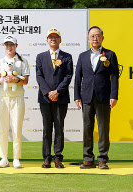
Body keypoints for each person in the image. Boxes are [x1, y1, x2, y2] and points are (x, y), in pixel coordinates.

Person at [74, 26, 119, 169]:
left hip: (104, 96)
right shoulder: (82, 56)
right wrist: (77, 96)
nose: (95, 38)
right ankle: (88, 158)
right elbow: (78, 78)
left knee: (103, 128)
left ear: (102, 38)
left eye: (98, 36)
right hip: (86, 96)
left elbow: (115, 76)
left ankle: (102, 159)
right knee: (87, 127)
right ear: (88, 39)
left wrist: (114, 95)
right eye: (92, 36)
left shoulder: (110, 55)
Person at [36, 28, 73, 169]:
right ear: (47, 41)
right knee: (46, 129)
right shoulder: (40, 57)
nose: (53, 39)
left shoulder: (67, 57)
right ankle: (47, 157)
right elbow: (39, 76)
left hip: (61, 98)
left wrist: (57, 91)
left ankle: (58, 157)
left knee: (59, 127)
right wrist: (49, 92)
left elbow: (68, 76)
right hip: (45, 99)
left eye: (56, 37)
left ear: (60, 40)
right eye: (50, 37)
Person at [0, 35, 30, 168]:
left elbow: (25, 80)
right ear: (4, 46)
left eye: (11, 44)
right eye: (7, 44)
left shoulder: (22, 61)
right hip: (2, 98)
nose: (9, 47)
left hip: (17, 97)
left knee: (16, 128)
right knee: (2, 129)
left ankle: (16, 158)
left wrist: (15, 80)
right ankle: (4, 158)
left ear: (16, 46)